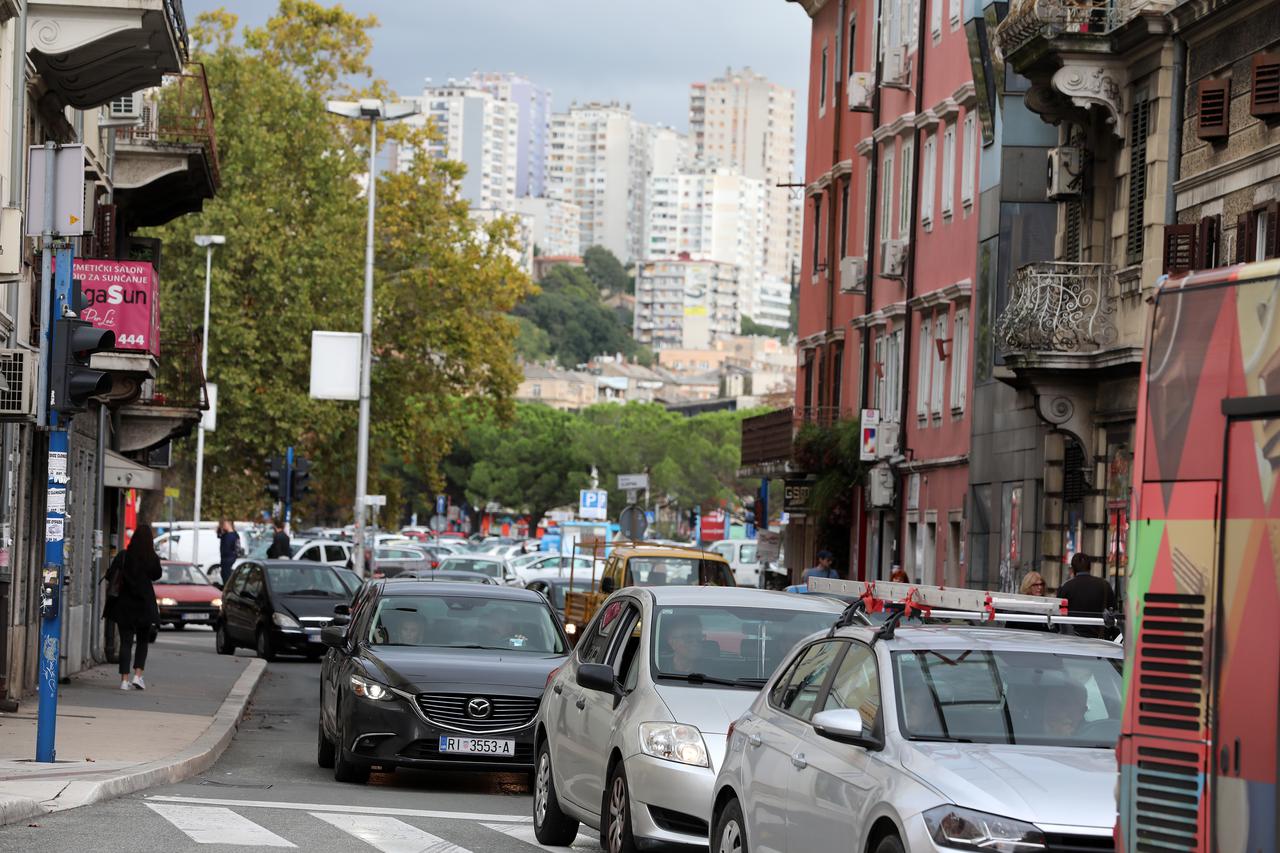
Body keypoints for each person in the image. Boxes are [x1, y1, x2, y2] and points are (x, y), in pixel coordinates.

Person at [108, 523, 162, 690]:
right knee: (142, 641)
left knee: (125, 642)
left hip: (124, 606)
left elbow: (110, 575)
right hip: (144, 606)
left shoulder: (124, 556)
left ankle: (124, 680)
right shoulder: (151, 557)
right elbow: (157, 575)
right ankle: (138, 676)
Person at [1057, 553, 1116, 638]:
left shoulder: (1066, 587)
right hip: (1100, 640)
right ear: (1090, 567)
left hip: (1072, 639)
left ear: (1072, 569)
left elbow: (1058, 615)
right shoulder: (1104, 585)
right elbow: (1113, 612)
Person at [217, 519, 240, 585]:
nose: (223, 526)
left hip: (229, 559)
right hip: (224, 559)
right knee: (224, 575)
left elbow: (237, 548)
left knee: (227, 577)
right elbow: (219, 535)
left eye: (224, 524)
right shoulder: (225, 535)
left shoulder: (234, 535)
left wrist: (234, 555)